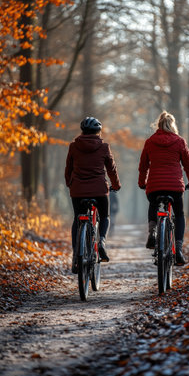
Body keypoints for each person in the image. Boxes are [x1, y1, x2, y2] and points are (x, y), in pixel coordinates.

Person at [138, 111, 189, 265]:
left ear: (158, 126)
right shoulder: (180, 142)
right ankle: (178, 249)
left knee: (153, 204)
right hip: (175, 187)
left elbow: (143, 166)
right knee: (179, 215)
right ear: (173, 125)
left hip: (155, 186)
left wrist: (141, 182)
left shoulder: (150, 142)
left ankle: (152, 232)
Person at [65, 117, 121, 273]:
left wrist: (69, 183)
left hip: (78, 190)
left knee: (78, 218)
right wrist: (116, 185)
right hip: (99, 191)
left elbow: (68, 168)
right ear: (98, 131)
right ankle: (101, 241)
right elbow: (112, 169)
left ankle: (76, 255)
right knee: (104, 216)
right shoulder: (104, 147)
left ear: (82, 131)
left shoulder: (73, 147)